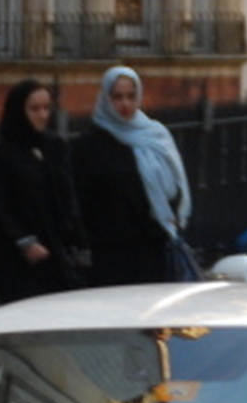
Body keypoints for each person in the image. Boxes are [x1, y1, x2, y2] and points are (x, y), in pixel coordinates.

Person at [73, 66, 196, 286]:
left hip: (154, 250)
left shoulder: (155, 134)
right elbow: (83, 201)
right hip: (112, 256)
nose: (125, 104)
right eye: (117, 97)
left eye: (131, 96)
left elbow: (175, 184)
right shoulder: (90, 145)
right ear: (105, 98)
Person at [0, 78, 89, 305]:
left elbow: (67, 194)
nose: (42, 115)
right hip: (20, 259)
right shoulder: (1, 155)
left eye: (46, 108)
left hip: (56, 250)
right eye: (34, 109)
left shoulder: (55, 146)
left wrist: (76, 237)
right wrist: (24, 241)